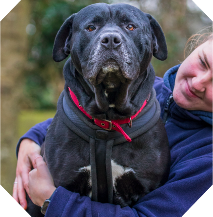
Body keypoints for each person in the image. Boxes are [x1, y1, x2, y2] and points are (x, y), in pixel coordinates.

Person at [13, 28, 213, 217]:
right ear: (197, 46)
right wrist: (31, 140)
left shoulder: (207, 158)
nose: (198, 83)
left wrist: (52, 200)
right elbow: (83, 116)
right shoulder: (145, 90)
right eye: (203, 62)